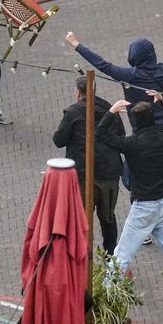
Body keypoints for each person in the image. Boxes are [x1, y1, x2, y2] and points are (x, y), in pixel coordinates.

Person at [67, 14, 163, 241]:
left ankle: (144, 229)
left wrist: (77, 45)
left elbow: (102, 64)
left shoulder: (128, 75)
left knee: (137, 179)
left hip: (140, 138)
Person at [96, 93, 163, 313]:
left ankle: (103, 298)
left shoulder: (132, 144)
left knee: (122, 254)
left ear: (135, 121)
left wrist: (111, 113)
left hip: (143, 207)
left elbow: (101, 135)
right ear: (152, 117)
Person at [53, 78, 124, 254]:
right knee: (108, 217)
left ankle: (85, 257)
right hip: (109, 173)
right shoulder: (109, 108)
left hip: (84, 175)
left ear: (78, 92)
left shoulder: (73, 112)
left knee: (83, 219)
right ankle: (110, 257)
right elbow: (121, 135)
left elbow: (59, 140)